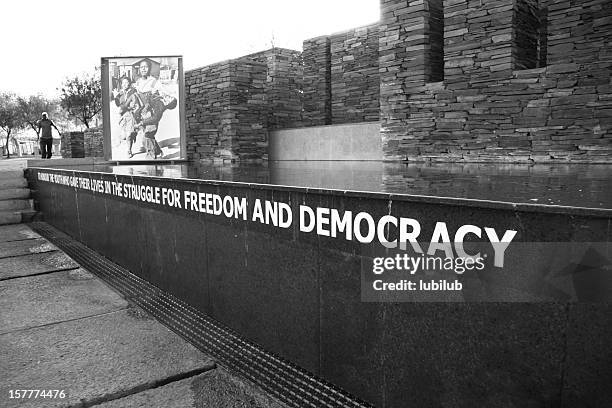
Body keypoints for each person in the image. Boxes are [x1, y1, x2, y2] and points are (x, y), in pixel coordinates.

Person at [112, 76, 142, 158]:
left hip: (131, 115)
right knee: (125, 136)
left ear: (130, 83)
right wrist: (115, 97)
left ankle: (129, 150)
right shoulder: (120, 93)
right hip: (122, 116)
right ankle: (132, 136)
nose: (125, 84)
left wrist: (125, 108)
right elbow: (118, 105)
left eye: (126, 82)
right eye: (123, 83)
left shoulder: (133, 91)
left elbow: (134, 105)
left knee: (128, 134)